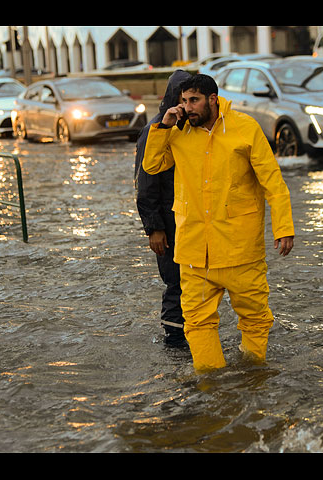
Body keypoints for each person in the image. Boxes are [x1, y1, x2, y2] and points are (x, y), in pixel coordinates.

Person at [142, 74, 295, 372]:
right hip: (194, 249)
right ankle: (210, 382)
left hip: (239, 247)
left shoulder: (244, 128)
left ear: (213, 99)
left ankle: (252, 376)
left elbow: (272, 182)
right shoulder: (176, 131)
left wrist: (284, 227)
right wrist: (162, 126)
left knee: (255, 318)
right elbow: (152, 165)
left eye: (194, 101)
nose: (188, 108)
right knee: (197, 322)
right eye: (183, 101)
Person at [135, 69, 192, 347]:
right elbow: (145, 184)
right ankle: (174, 340)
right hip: (167, 222)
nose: (187, 106)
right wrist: (154, 228)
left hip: (187, 218)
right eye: (183, 99)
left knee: (189, 282)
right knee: (175, 281)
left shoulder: (189, 128)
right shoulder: (156, 129)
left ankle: (189, 336)